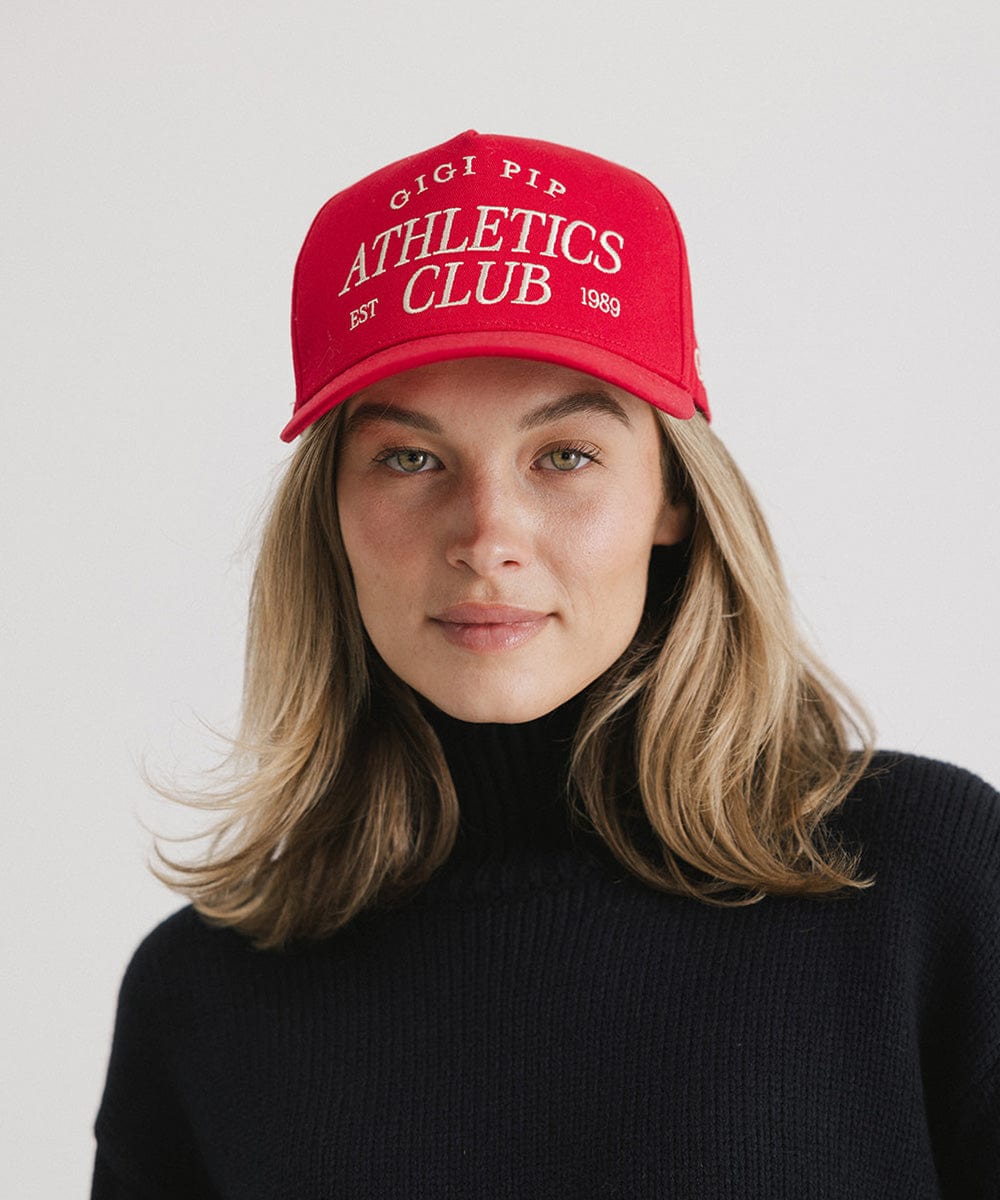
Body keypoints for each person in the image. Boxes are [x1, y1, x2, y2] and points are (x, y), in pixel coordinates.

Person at [91, 130, 1000, 1198]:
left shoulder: (922, 884)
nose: (487, 535)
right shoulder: (204, 997)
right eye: (410, 459)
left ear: (673, 497)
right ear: (330, 515)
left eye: (563, 456)